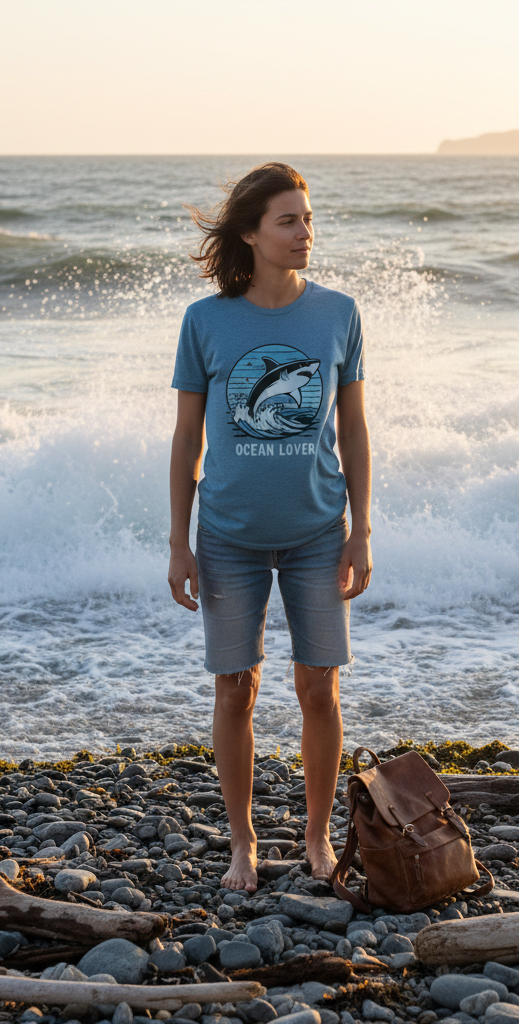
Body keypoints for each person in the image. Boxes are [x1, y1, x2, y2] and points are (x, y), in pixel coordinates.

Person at [167, 162, 372, 893]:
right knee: (235, 689)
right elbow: (187, 439)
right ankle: (243, 846)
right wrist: (178, 542)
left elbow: (353, 429)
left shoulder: (338, 313)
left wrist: (362, 530)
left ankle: (317, 839)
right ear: (251, 233)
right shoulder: (206, 321)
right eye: (288, 221)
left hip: (320, 530)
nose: (303, 233)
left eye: (308, 219)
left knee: (320, 688)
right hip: (227, 535)